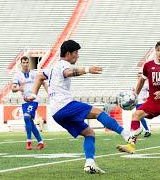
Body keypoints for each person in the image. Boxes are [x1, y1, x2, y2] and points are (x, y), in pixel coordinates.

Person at [28, 40, 132, 174]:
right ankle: (127, 135)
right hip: (65, 106)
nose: (78, 56)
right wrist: (87, 69)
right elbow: (68, 72)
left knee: (89, 133)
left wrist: (33, 94)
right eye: (76, 53)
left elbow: (39, 76)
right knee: (99, 113)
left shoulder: (53, 67)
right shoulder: (64, 65)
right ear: (68, 53)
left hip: (56, 112)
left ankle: (90, 163)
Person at [12, 56, 47, 150]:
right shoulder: (17, 75)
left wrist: (49, 92)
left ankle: (28, 142)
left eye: (27, 62)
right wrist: (19, 88)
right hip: (24, 102)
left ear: (29, 63)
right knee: (29, 121)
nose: (26, 64)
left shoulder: (34, 74)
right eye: (23, 62)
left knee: (27, 117)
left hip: (34, 100)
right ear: (21, 64)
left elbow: (43, 82)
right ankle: (40, 142)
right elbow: (13, 88)